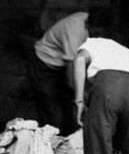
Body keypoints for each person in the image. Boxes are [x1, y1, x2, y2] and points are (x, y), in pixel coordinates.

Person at [29, 8, 88, 136]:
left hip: (60, 65)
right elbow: (72, 73)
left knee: (64, 105)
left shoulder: (87, 18)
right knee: (51, 108)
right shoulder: (75, 31)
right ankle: (52, 142)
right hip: (44, 62)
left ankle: (64, 135)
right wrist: (79, 96)